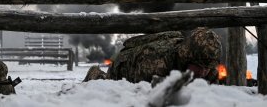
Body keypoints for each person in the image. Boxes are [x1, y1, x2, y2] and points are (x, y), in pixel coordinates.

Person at [83, 27, 221, 84]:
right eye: (199, 66)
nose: (204, 72)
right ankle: (97, 74)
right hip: (125, 66)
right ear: (187, 58)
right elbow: (141, 97)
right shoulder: (155, 66)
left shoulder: (207, 66)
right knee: (110, 86)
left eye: (207, 67)